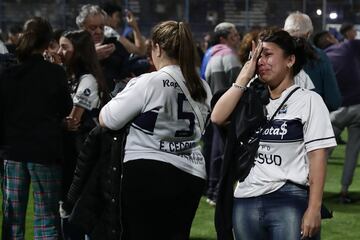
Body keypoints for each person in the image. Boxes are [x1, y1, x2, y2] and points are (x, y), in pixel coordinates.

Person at [212, 30, 336, 239]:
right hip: (246, 200)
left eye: (267, 54)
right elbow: (217, 117)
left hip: (289, 199)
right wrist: (245, 74)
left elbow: (318, 157)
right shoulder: (252, 101)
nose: (261, 61)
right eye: (257, 55)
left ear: (290, 60)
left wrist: (314, 209)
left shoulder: (308, 101)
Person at [99, 20, 212, 239]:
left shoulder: (149, 82)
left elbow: (107, 119)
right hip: (191, 174)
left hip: (147, 172)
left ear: (158, 48)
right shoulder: (202, 86)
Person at [0, 16, 73, 239]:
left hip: (13, 152)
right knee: (46, 218)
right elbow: (65, 107)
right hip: (44, 151)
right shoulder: (54, 73)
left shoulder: (9, 73)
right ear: (47, 42)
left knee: (12, 220)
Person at [313, 30, 360, 204]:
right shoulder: (348, 46)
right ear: (329, 38)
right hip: (358, 106)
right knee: (352, 153)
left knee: (322, 152)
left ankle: (311, 189)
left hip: (337, 111)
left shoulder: (321, 59)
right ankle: (344, 191)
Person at [203, 22, 242, 206]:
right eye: (234, 35)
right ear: (223, 38)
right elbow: (240, 88)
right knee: (224, 154)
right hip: (227, 114)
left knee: (214, 152)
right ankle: (219, 192)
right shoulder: (229, 57)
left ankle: (211, 190)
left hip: (211, 111)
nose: (238, 37)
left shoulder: (210, 55)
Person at [284, 11, 341, 112]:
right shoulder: (320, 57)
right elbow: (334, 101)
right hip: (312, 121)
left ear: (285, 31)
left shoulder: (274, 55)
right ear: (309, 34)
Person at [76, 4, 130, 92]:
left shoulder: (114, 45)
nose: (98, 31)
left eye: (101, 27)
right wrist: (91, 57)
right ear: (82, 28)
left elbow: (129, 69)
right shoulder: (73, 48)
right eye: (93, 28)